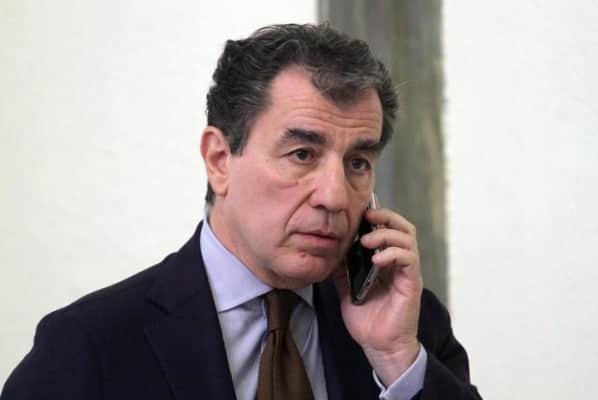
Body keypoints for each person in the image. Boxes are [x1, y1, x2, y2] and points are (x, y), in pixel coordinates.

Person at [1, 23, 481, 399]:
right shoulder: (89, 346)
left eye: (358, 162)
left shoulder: (411, 329)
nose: (335, 197)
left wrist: (394, 359)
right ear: (219, 160)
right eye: (302, 155)